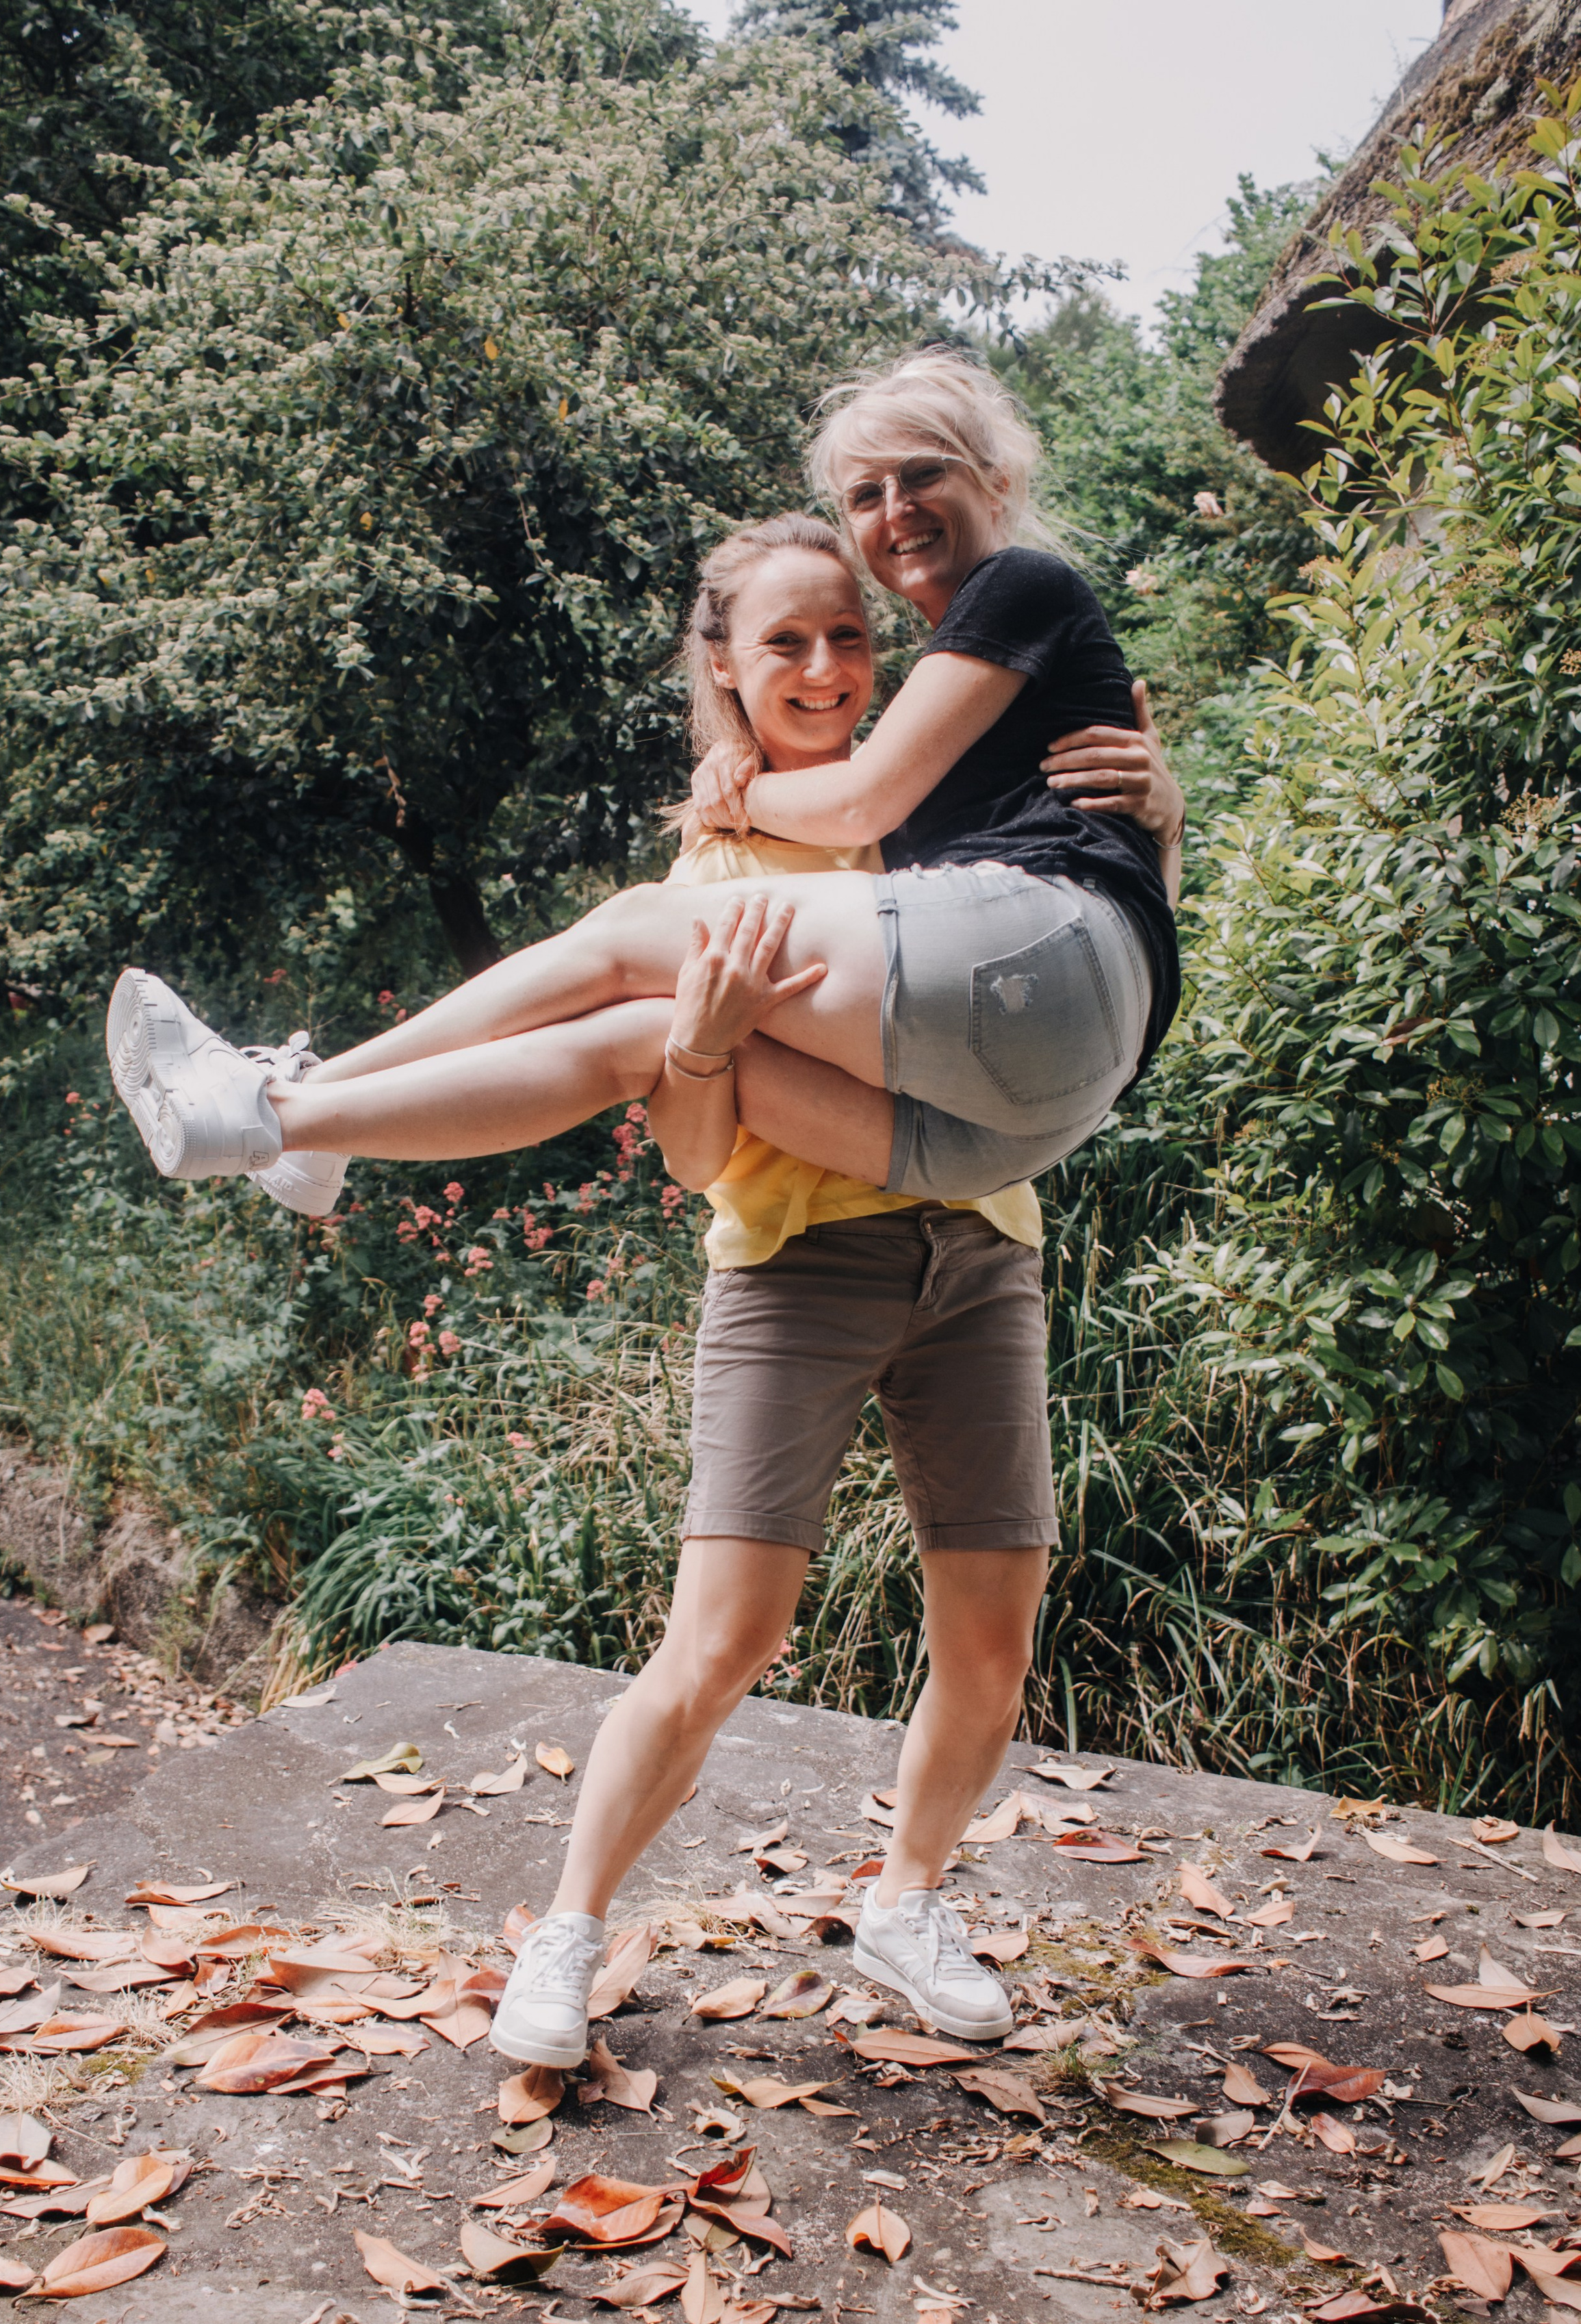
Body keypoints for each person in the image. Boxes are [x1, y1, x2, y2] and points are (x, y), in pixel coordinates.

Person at [481, 503, 1183, 2065]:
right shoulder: (717, 858)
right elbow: (690, 1158)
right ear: (725, 668)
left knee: (992, 1641)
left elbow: (1105, 948)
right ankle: (569, 1930)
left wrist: (1165, 814)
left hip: (980, 1250)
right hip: (795, 1265)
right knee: (722, 1642)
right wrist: (699, 1043)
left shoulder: (950, 799)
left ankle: (905, 1902)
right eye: (784, 642)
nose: (822, 667)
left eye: (850, 634)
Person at [106, 349, 1181, 1225]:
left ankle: (289, 1083)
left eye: (923, 474)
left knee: (628, 931)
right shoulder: (970, 696)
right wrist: (1165, 832)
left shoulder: (1020, 582)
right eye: (867, 492)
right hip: (1032, 1111)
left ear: (998, 481)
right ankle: (296, 1132)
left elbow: (862, 803)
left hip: (1053, 978)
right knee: (640, 1037)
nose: (895, 507)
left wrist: (739, 795)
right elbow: (1125, 892)